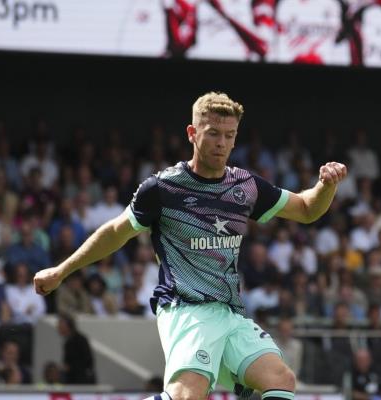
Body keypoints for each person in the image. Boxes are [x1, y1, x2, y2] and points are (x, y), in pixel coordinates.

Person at [34, 92, 347, 400]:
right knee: (187, 395)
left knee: (281, 380)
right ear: (192, 133)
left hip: (229, 312)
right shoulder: (163, 188)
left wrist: (326, 185)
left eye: (229, 135)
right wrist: (62, 271)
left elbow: (307, 209)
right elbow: (116, 232)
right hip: (185, 308)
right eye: (213, 134)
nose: (221, 143)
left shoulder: (245, 187)